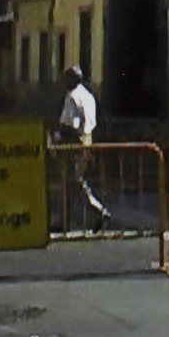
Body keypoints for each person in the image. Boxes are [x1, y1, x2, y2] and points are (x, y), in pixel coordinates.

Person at [56, 65, 111, 232]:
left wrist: (58, 136)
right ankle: (86, 215)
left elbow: (70, 124)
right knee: (79, 181)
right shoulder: (88, 95)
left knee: (72, 182)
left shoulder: (72, 96)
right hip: (87, 140)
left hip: (74, 141)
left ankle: (87, 214)